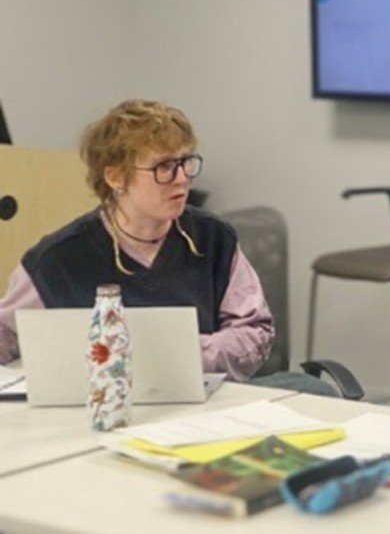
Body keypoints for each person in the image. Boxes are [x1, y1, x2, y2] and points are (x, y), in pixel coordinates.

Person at [0, 99, 273, 380]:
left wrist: (185, 354)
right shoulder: (57, 260)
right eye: (164, 166)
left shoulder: (213, 239)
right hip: (97, 411)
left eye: (185, 162)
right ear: (116, 176)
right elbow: (5, 335)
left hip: (204, 407)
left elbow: (255, 332)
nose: (181, 179)